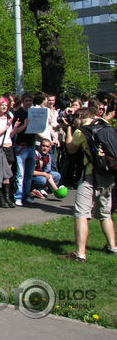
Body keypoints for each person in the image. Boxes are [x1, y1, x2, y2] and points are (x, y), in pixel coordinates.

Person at [60, 106, 117, 261]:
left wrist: (68, 131)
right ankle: (112, 247)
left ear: (80, 117)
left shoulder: (82, 131)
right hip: (108, 174)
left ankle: (80, 253)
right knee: (105, 212)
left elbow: (71, 149)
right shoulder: (105, 124)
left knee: (81, 213)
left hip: (91, 174)